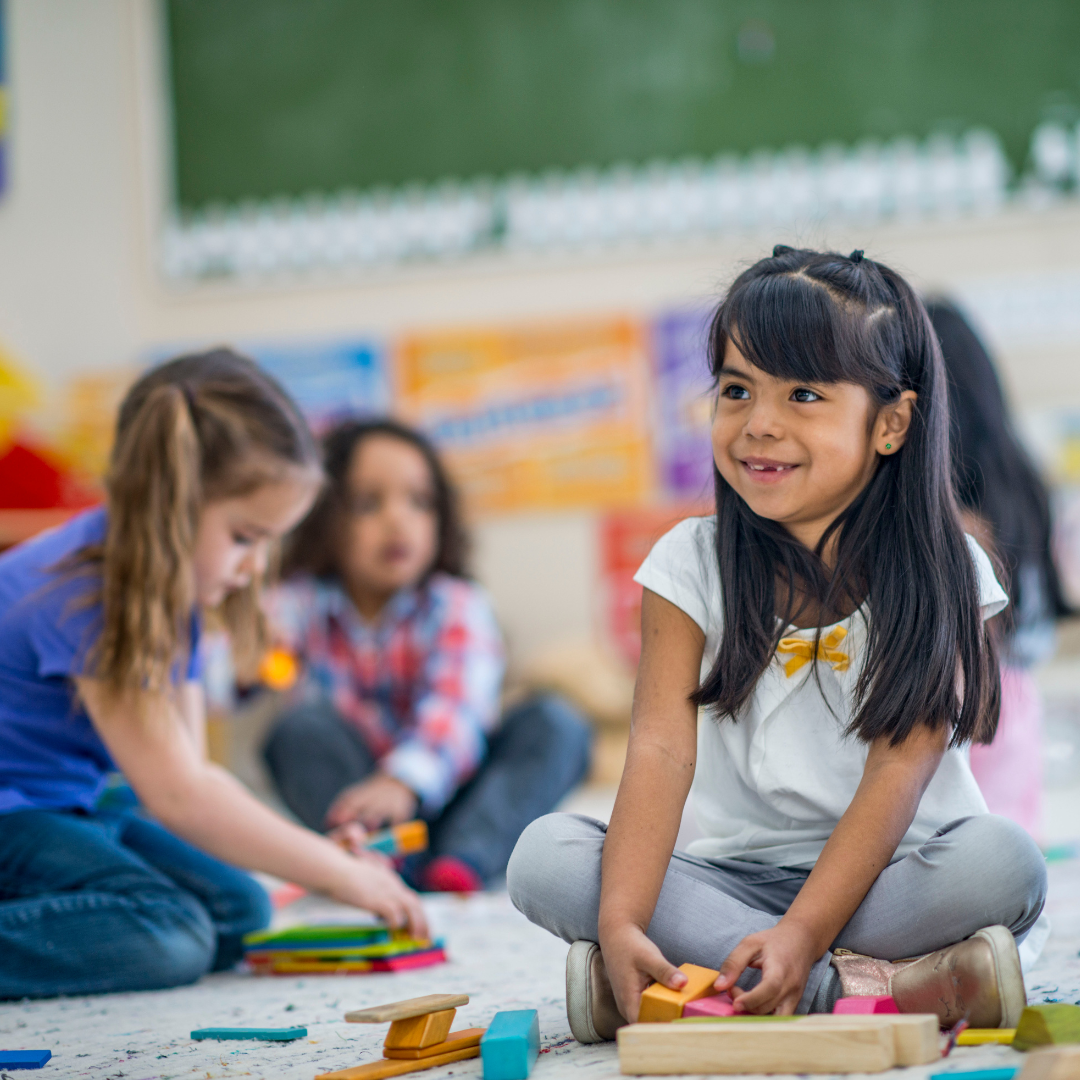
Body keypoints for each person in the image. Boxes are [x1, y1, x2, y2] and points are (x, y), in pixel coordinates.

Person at [506, 247, 1047, 1040]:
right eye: (736, 389)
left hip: (896, 872)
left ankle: (721, 983)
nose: (759, 423)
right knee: (544, 855)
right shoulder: (688, 563)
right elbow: (658, 751)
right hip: (728, 879)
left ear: (891, 423)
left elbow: (903, 765)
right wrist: (622, 920)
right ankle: (872, 989)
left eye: (803, 393)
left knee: (1005, 863)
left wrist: (802, 933)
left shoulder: (946, 568)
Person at [0, 349, 426, 1000]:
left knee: (241, 910)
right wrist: (339, 877)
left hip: (72, 806)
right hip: (15, 817)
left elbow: (194, 777)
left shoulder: (172, 594)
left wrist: (317, 856)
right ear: (168, 507)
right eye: (245, 536)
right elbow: (180, 796)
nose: (256, 566)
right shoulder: (84, 593)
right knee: (172, 934)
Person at [261, 418, 592, 894]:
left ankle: (464, 857)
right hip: (362, 798)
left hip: (460, 792)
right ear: (322, 519)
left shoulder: (456, 604)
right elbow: (237, 670)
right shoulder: (299, 604)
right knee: (297, 731)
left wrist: (404, 781)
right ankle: (378, 858)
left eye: (419, 503)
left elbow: (457, 709)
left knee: (557, 723)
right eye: (367, 504)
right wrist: (244, 653)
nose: (398, 520)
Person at [927, 298, 1071, 839]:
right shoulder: (1023, 480)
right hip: (1018, 707)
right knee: (1011, 873)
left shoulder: (950, 515)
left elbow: (962, 667)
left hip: (968, 717)